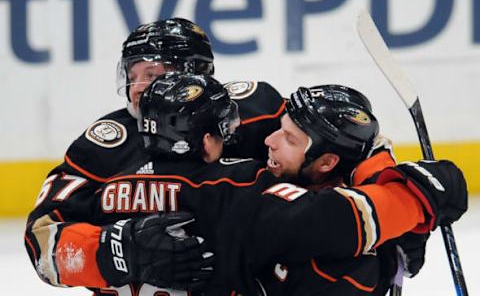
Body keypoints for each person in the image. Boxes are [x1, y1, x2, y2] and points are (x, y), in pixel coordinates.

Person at [92, 73, 466, 295]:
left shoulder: (107, 185)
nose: (267, 141)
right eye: (224, 132)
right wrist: (411, 205)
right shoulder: (242, 188)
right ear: (206, 141)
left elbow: (53, 242)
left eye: (287, 137)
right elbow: (334, 221)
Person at [24, 18, 285, 293]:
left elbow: (320, 165)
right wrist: (117, 251)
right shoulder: (103, 146)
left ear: (195, 73)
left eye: (150, 74)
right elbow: (41, 245)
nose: (137, 87)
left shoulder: (253, 116)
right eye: (132, 76)